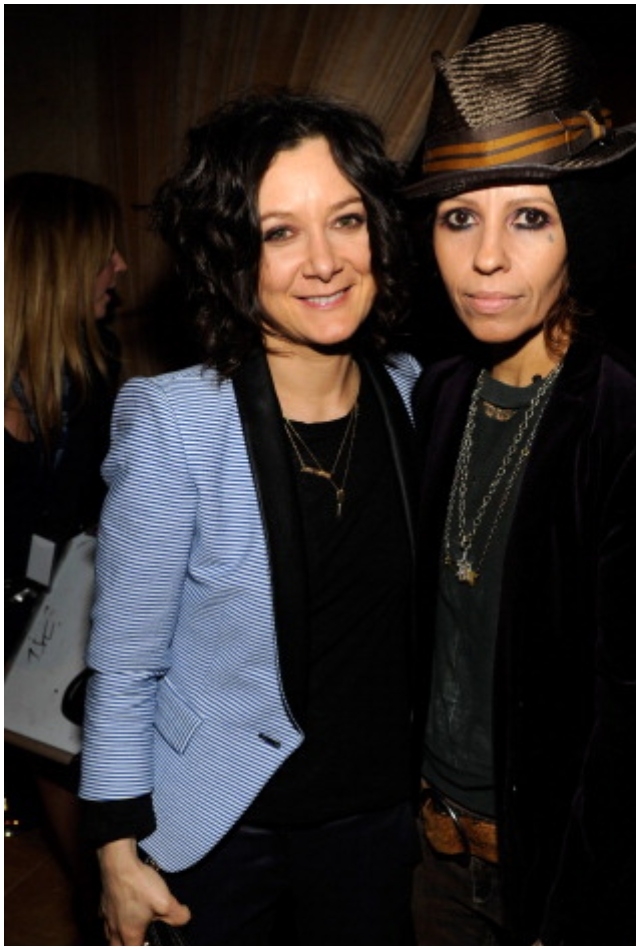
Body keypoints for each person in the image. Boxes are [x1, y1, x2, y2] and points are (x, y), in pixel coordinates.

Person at [78, 91, 421, 946]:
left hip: (379, 825)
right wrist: (116, 854)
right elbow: (123, 666)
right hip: (223, 833)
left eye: (346, 220)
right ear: (232, 255)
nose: (324, 262)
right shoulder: (174, 420)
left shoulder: (419, 394)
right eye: (279, 232)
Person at [401, 23, 636, 945]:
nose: (487, 257)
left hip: (546, 881)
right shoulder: (441, 393)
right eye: (461, 216)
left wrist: (578, 917)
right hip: (422, 853)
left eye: (528, 216)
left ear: (585, 229)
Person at [4, 170, 127, 939]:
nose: (121, 266)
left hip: (45, 631)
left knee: (68, 756)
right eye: (104, 252)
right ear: (54, 263)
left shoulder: (94, 369)